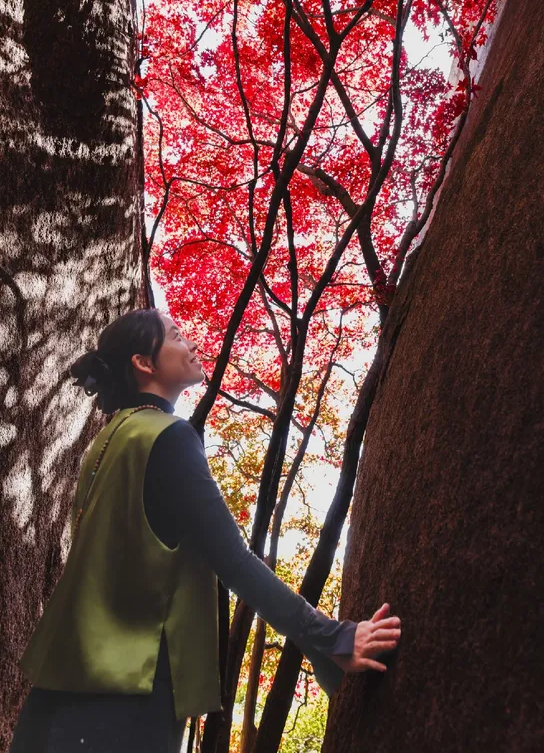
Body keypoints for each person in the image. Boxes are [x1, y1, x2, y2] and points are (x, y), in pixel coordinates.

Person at [10, 308, 401, 752]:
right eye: (176, 335)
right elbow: (233, 559)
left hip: (61, 689)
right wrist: (333, 637)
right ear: (145, 363)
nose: (191, 343)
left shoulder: (107, 442)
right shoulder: (166, 437)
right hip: (127, 689)